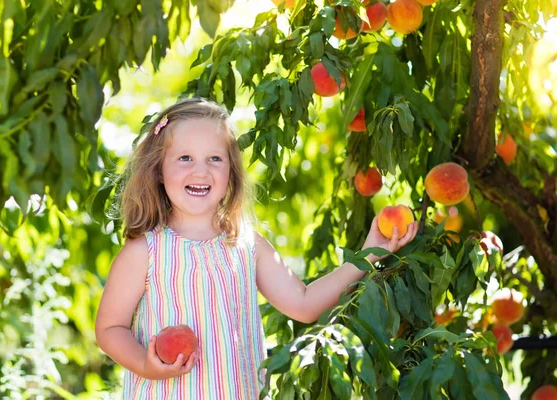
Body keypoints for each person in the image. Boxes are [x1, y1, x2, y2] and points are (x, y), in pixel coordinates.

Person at [94, 97, 418, 399]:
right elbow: (110, 329)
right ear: (159, 170)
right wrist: (145, 364)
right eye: (185, 158)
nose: (201, 170)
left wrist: (369, 254)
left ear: (231, 173)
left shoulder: (245, 242)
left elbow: (303, 304)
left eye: (215, 159)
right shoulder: (145, 252)